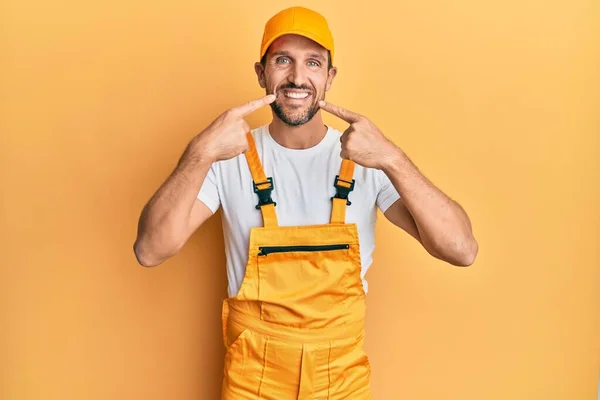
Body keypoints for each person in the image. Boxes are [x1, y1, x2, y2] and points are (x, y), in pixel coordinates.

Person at [133, 6, 478, 399]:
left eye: (313, 63)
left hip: (341, 382)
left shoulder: (367, 158)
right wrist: (200, 152)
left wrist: (393, 159)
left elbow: (461, 250)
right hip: (253, 382)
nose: (298, 77)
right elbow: (150, 250)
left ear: (330, 77)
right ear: (261, 73)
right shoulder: (227, 157)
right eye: (283, 60)